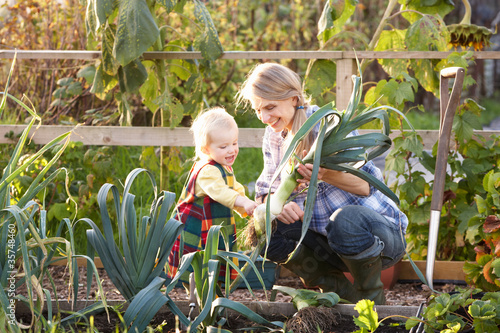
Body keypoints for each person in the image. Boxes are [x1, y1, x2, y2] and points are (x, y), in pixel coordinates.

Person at [235, 62, 408, 304]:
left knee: (345, 219)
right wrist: (277, 205)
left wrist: (323, 173)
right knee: (264, 232)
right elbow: (264, 193)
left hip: (379, 238)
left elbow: (365, 186)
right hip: (329, 244)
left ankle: (372, 300)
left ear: (294, 99)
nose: (264, 118)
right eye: (257, 110)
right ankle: (343, 294)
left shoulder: (330, 125)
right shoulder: (274, 136)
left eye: (270, 107)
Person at [167, 107, 258, 283]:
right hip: (196, 226)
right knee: (196, 262)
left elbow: (235, 188)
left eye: (234, 143)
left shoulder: (223, 166)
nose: (231, 150)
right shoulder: (207, 170)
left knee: (213, 261)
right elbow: (221, 192)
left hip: (213, 226)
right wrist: (242, 202)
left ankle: (208, 293)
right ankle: (195, 296)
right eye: (224, 146)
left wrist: (247, 205)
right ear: (206, 149)